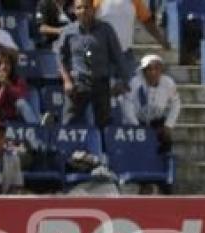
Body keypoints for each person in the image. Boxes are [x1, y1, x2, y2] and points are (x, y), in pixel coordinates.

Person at [57, 0, 132, 126]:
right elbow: (60, 58)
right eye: (79, 8)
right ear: (74, 11)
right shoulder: (68, 31)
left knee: (104, 124)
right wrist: (67, 81)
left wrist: (122, 80)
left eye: (86, 7)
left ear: (93, 9)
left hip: (101, 84)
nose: (83, 11)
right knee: (69, 123)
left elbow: (118, 57)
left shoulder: (106, 29)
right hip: (78, 84)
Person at [121, 53, 181, 194]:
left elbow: (176, 104)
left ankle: (165, 183)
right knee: (141, 149)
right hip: (138, 122)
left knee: (165, 143)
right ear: (144, 71)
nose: (153, 72)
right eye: (149, 69)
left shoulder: (168, 83)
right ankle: (144, 183)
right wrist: (137, 128)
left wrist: (169, 125)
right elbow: (127, 106)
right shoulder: (135, 83)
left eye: (157, 68)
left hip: (157, 121)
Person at [94, 0, 170, 73]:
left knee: (131, 84)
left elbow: (147, 20)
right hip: (103, 55)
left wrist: (161, 40)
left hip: (125, 54)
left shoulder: (134, 1)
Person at [0, 53, 41, 124]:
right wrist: (3, 88)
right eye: (0, 64)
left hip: (14, 114)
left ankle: (36, 126)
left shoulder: (18, 80)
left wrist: (8, 84)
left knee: (28, 97)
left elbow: (21, 96)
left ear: (11, 66)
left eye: (7, 63)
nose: (4, 66)